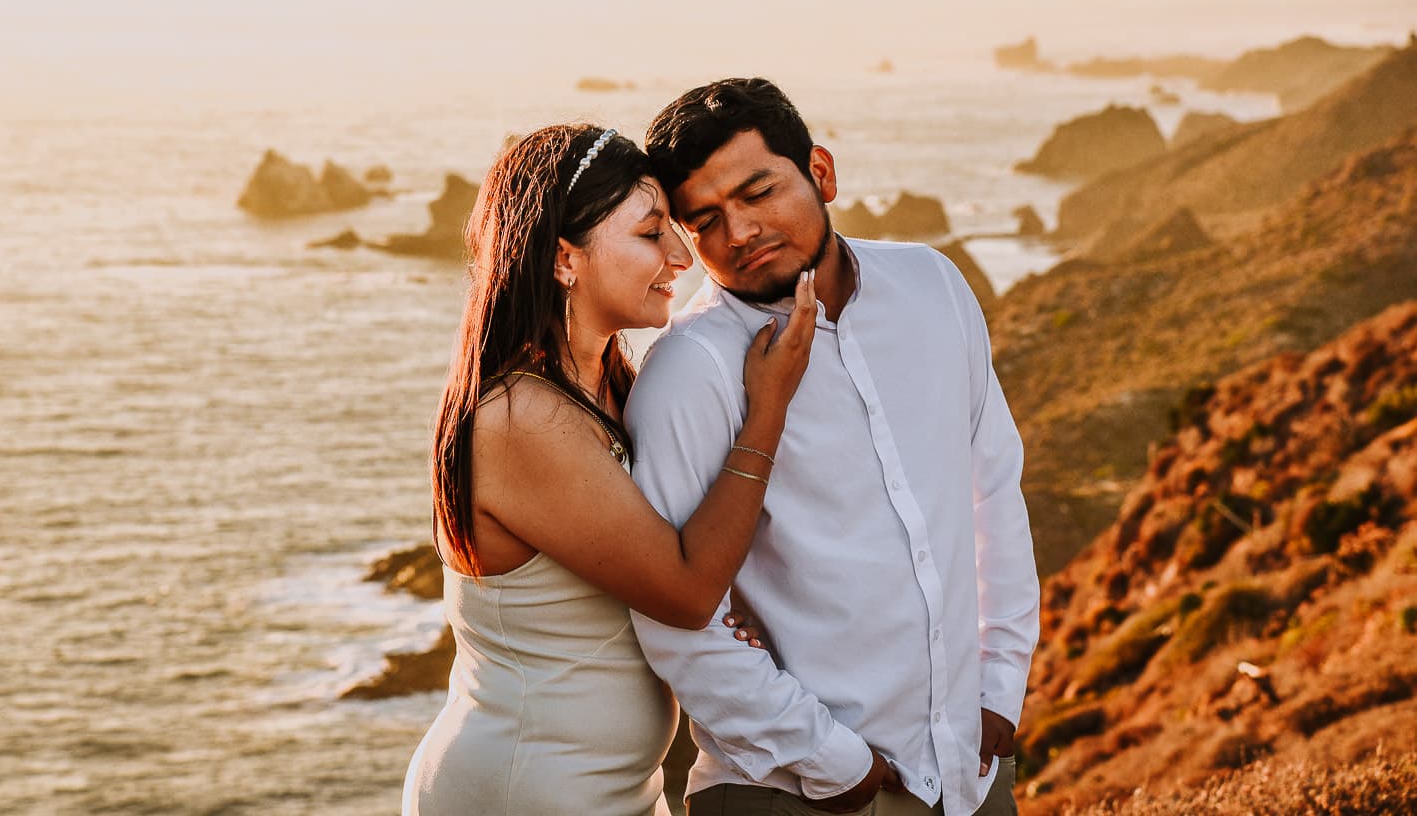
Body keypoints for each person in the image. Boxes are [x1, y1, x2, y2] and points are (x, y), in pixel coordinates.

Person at [625, 79, 1041, 816]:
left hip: (968, 772)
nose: (741, 233)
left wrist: (1001, 681)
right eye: (707, 220)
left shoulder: (933, 284)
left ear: (821, 172)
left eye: (760, 192)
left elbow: (993, 492)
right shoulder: (689, 371)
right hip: (794, 792)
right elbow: (676, 614)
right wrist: (831, 761)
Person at [402, 123, 819, 816]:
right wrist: (767, 408)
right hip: (523, 792)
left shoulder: (611, 387)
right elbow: (684, 593)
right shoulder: (520, 419)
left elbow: (680, 562)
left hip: (611, 788)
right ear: (566, 259)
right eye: (653, 233)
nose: (682, 256)